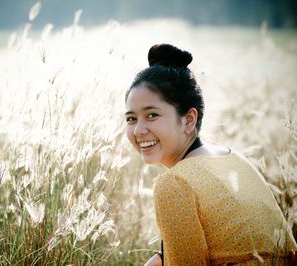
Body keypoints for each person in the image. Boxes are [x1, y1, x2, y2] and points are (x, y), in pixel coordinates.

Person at [124, 44, 297, 265]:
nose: (138, 130)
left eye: (152, 115)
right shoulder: (234, 160)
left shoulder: (174, 183)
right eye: (131, 118)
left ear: (188, 120)